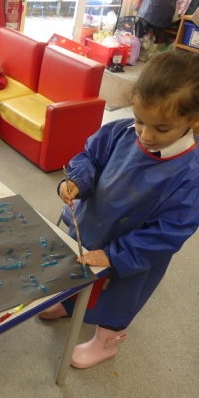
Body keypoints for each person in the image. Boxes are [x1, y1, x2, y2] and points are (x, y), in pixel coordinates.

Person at [39, 49, 199, 369]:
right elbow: (90, 158)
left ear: (193, 121)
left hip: (133, 253)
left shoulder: (190, 175)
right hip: (93, 224)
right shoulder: (121, 131)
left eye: (162, 129)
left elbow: (166, 234)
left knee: (118, 297)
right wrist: (76, 181)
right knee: (77, 267)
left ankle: (105, 343)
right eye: (140, 120)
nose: (146, 135)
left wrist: (115, 255)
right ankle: (69, 305)